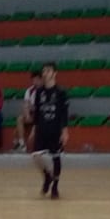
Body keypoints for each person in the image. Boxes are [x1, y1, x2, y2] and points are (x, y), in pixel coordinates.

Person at [30, 63, 70, 198]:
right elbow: (37, 112)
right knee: (36, 156)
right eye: (44, 71)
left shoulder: (61, 92)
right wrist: (34, 128)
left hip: (55, 129)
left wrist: (64, 131)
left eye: (48, 70)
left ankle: (55, 186)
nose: (45, 73)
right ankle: (47, 175)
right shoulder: (39, 92)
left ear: (55, 73)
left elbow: (64, 113)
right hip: (42, 128)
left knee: (55, 157)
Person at [15, 71, 43, 152]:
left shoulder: (45, 90)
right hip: (32, 114)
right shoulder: (30, 91)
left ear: (41, 80)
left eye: (37, 80)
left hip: (42, 114)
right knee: (20, 119)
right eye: (34, 80)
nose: (35, 82)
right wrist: (27, 114)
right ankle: (22, 144)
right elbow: (26, 104)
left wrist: (34, 107)